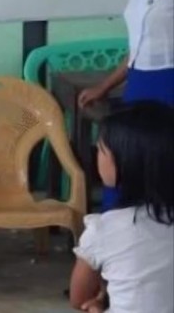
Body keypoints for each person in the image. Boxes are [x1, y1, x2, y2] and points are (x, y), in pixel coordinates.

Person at [78, 0, 174, 212]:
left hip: (169, 84)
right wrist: (105, 86)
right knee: (126, 163)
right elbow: (138, 46)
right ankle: (118, 236)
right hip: (139, 84)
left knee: (163, 168)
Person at [69, 102, 174, 313]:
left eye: (101, 150)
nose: (97, 155)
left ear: (125, 162)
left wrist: (99, 302)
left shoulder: (104, 229)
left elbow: (79, 298)